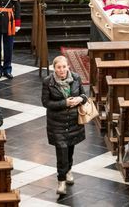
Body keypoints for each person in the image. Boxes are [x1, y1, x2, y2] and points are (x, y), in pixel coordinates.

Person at [42, 56, 88, 196]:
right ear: (54, 68)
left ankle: (68, 170)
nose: (61, 70)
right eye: (58, 67)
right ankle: (61, 180)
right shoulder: (48, 82)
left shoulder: (76, 77)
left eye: (64, 67)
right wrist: (65, 103)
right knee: (61, 151)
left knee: (70, 149)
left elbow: (84, 95)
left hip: (73, 121)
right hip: (57, 123)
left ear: (68, 66)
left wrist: (80, 99)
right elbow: (46, 103)